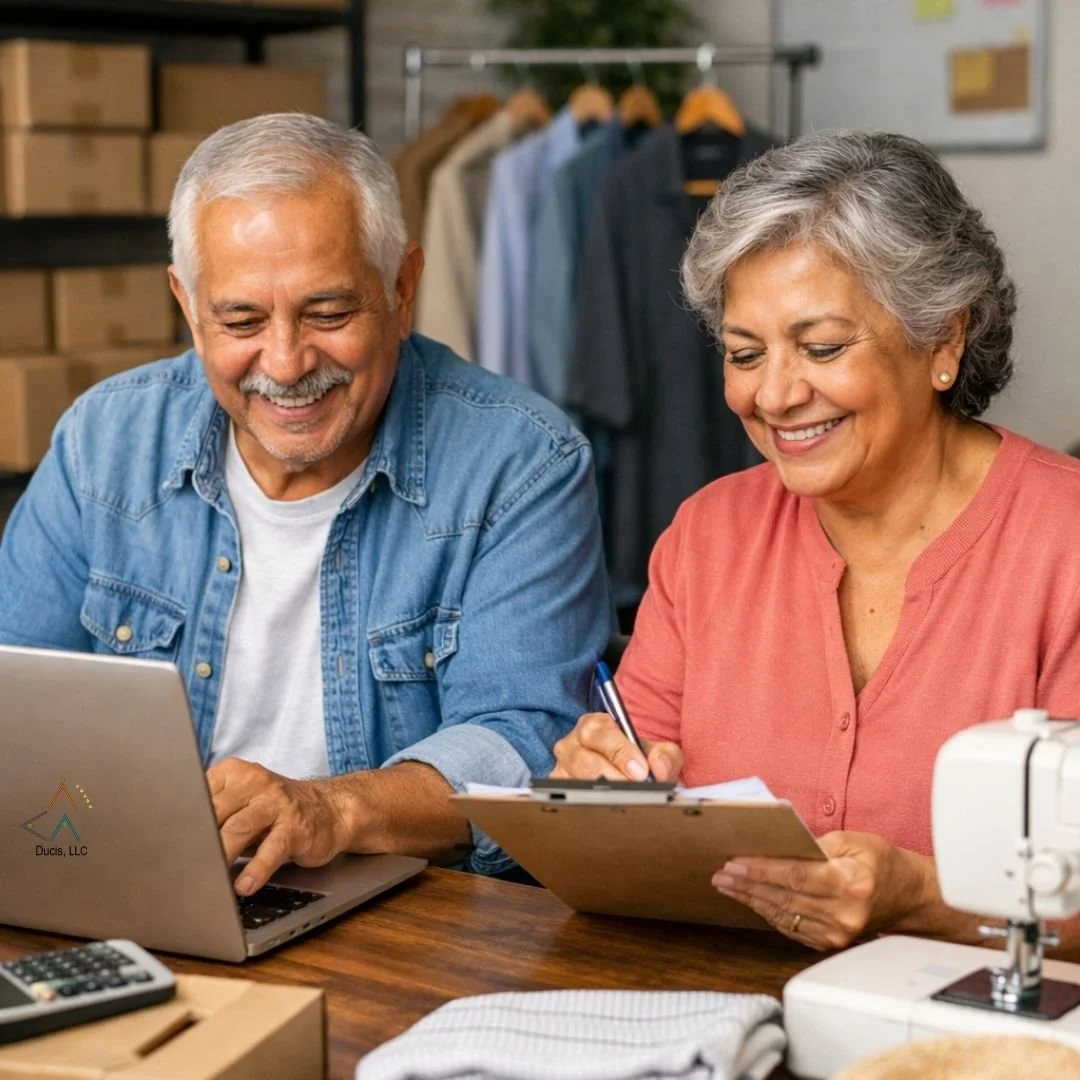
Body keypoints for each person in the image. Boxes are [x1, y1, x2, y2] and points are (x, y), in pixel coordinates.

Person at [0, 113, 611, 892]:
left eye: (328, 313)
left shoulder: (522, 464)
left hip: (413, 917)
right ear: (188, 306)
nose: (286, 365)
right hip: (143, 887)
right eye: (241, 320)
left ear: (402, 288)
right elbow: (17, 708)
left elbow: (523, 745)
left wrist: (331, 811)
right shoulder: (102, 444)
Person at [552, 131, 1080, 953]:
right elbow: (632, 778)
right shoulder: (707, 538)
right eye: (744, 354)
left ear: (943, 339)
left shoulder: (1063, 542)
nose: (773, 395)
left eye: (822, 348)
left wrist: (923, 898)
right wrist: (595, 793)